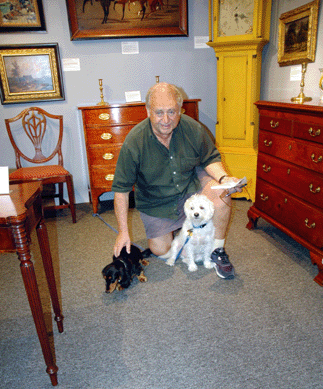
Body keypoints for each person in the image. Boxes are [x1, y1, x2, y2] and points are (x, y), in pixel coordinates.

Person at [112, 82, 242, 279]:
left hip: (191, 187)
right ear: (148, 111)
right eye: (159, 112)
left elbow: (210, 158)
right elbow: (121, 190)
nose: (166, 120)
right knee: (162, 251)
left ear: (180, 110)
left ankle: (217, 250)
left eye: (172, 112)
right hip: (157, 201)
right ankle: (185, 233)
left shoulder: (193, 128)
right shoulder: (134, 142)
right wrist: (123, 232)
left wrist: (224, 178)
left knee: (221, 197)